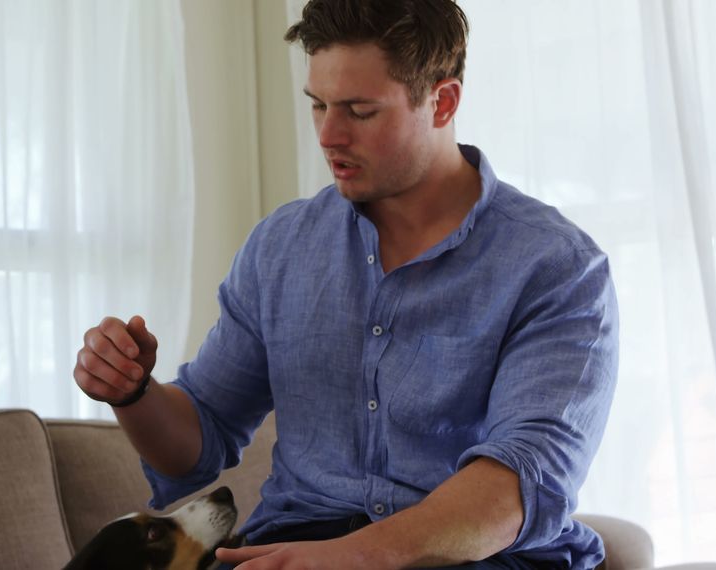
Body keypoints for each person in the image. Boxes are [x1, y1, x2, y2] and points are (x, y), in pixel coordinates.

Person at [73, 0, 618, 568]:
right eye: (318, 106)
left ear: (443, 101)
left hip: (474, 557)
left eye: (359, 111)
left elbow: (519, 485)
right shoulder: (281, 247)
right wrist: (133, 392)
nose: (329, 135)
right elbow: (198, 442)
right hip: (296, 541)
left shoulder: (556, 268)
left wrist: (354, 557)